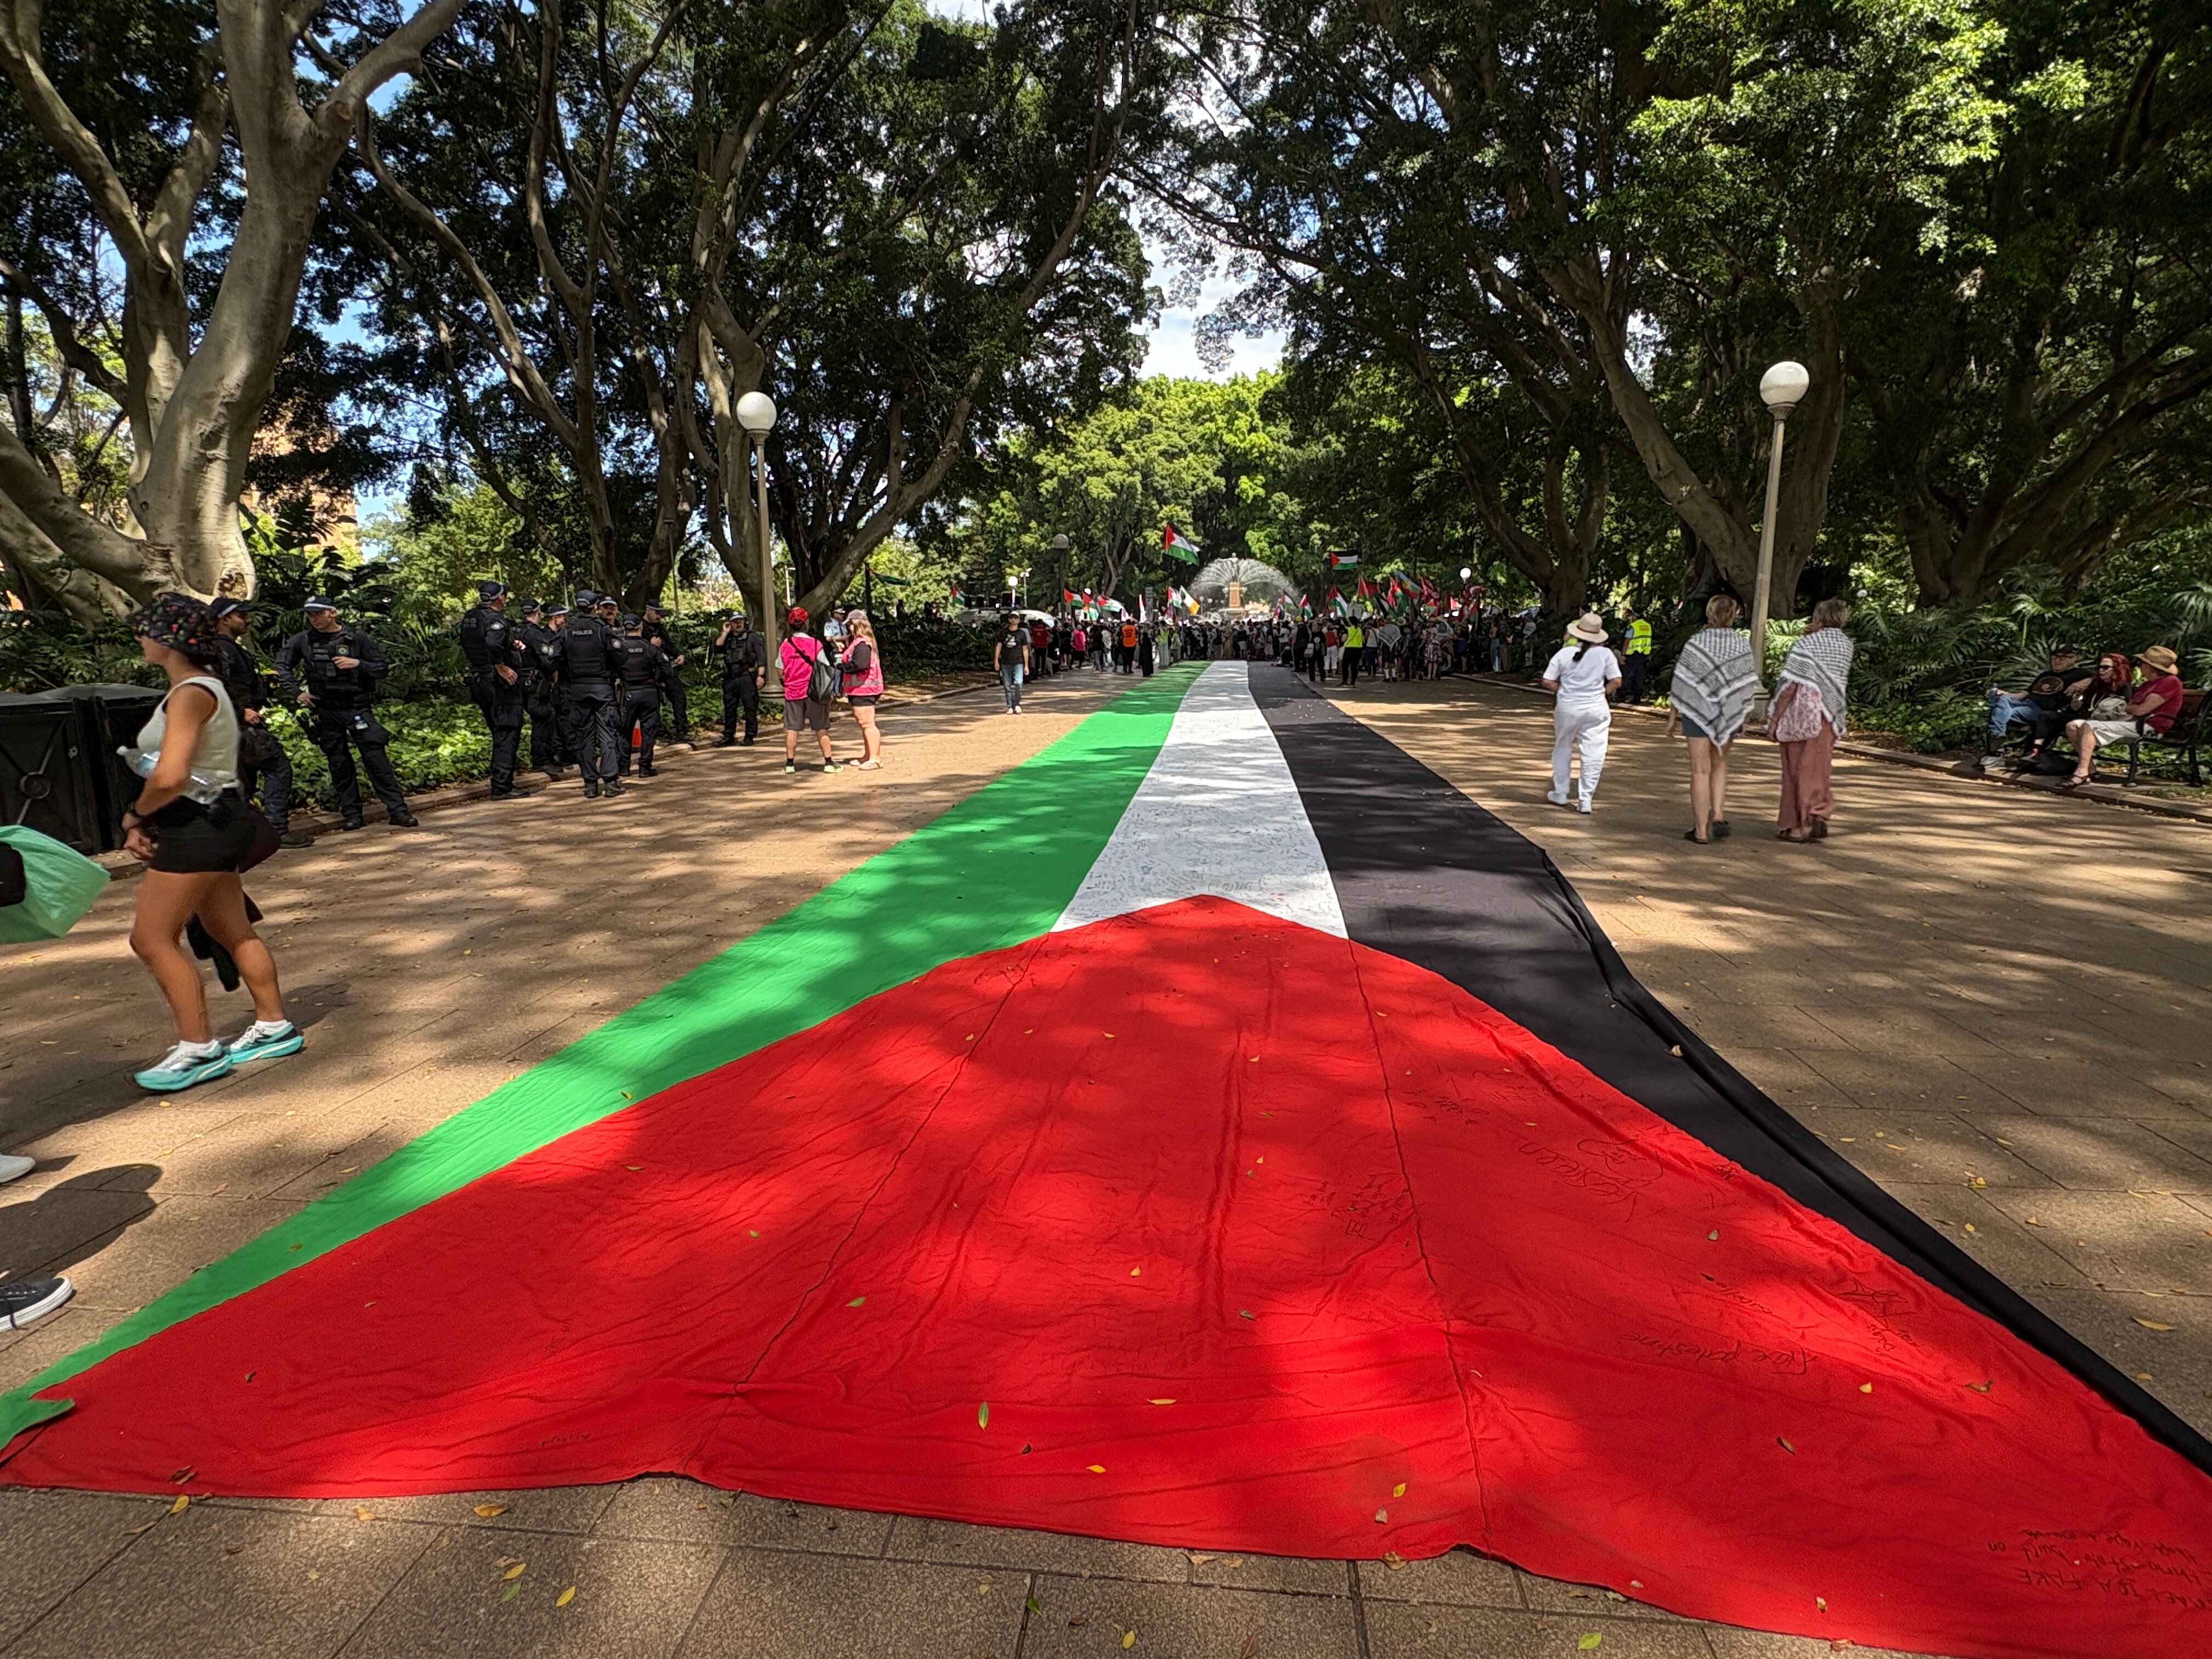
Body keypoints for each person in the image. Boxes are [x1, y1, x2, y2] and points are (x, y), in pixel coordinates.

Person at [117, 594, 301, 1093]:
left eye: (146, 630)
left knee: (151, 938)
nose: (140, 639)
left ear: (167, 638)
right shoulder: (204, 687)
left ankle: (198, 1047)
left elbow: (172, 775)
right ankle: (272, 1024)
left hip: (197, 827)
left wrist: (135, 815)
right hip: (220, 818)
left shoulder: (189, 693)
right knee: (231, 928)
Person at [273, 596, 421, 830]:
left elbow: (381, 669)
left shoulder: (357, 639)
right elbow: (281, 666)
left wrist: (358, 664)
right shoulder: (303, 641)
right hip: (325, 710)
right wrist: (297, 693)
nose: (314, 619)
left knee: (376, 760)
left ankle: (398, 811)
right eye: (310, 615)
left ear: (332, 613)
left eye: (318, 614)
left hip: (357, 707)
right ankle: (352, 815)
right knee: (339, 764)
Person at [208, 599, 309, 849]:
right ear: (224, 619)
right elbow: (217, 684)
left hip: (238, 723)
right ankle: (275, 830)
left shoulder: (227, 647)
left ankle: (246, 834)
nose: (248, 620)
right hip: (241, 724)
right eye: (241, 616)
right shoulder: (221, 650)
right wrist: (242, 711)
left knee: (245, 777)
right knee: (277, 767)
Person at [1666, 595, 1758, 843]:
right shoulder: (1741, 644)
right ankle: (1717, 815)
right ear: (1734, 615)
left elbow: (1682, 680)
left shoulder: (1696, 643)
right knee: (1719, 764)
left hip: (1696, 712)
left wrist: (1674, 715)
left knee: (1700, 770)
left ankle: (1701, 831)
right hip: (1728, 713)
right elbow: (1746, 683)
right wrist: (1741, 713)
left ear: (1709, 614)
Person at [1770, 597, 1856, 842]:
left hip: (1800, 715)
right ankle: (1818, 811)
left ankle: (1796, 825)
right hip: (1830, 714)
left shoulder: (1806, 644)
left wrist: (1774, 718)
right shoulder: (1845, 645)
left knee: (1795, 769)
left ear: (1818, 617)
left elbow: (1789, 686)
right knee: (1819, 768)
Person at [543, 589, 627, 798]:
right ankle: (610, 782)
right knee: (607, 735)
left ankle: (590, 784)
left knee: (584, 737)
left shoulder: (566, 631)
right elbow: (622, 656)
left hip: (577, 690)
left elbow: (552, 659)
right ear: (595, 607)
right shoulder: (602, 629)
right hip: (602, 689)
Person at [2064, 644, 2183, 786]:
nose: (2139, 666)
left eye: (2142, 663)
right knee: (2072, 726)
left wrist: (2135, 709)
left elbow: (2140, 710)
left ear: (2151, 667)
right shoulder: (2147, 685)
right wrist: (2135, 709)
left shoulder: (2170, 682)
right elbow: (2130, 708)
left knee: (2088, 725)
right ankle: (2090, 769)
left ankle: (2081, 772)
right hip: (2134, 723)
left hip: (2150, 727)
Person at [1542, 613, 1622, 813]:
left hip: (1568, 708)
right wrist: (1603, 692)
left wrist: (1562, 690)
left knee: (1563, 746)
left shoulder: (1564, 654)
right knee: (1594, 753)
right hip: (1597, 709)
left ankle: (1561, 792)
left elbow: (1547, 680)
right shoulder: (1606, 655)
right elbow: (1617, 681)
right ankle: (1585, 799)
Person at [457, 579, 528, 799]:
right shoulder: (495, 618)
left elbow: (478, 643)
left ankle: (502, 781)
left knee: (498, 730)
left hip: (479, 678)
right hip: (497, 683)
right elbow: (492, 644)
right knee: (507, 731)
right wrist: (502, 667)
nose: (505, 598)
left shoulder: (471, 617)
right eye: (504, 595)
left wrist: (510, 644)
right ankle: (502, 786)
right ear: (499, 598)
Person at [1983, 646, 2096, 769]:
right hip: (2024, 705)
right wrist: (2002, 692)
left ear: (2073, 659)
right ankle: (1996, 738)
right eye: (2055, 657)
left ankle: (1994, 752)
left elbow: (2102, 677)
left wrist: (2086, 682)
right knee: (2002, 701)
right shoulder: (2045, 675)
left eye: (2063, 658)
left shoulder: (2080, 674)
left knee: (1997, 713)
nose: (2058, 660)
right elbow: (2022, 695)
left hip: (2041, 711)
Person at [780, 607, 841, 772]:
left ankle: (790, 764)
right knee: (821, 727)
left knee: (792, 728)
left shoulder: (785, 645)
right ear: (806, 623)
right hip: (814, 693)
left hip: (793, 692)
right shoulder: (815, 644)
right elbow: (825, 667)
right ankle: (828, 763)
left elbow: (780, 669)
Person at [514, 599, 571, 777]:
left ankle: (543, 758)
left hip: (518, 680)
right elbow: (547, 660)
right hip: (535, 682)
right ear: (538, 613)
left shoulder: (516, 630)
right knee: (543, 719)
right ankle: (541, 761)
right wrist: (552, 672)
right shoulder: (535, 633)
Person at [614, 613, 669, 776]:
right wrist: (658, 681)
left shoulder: (619, 649)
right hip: (649, 693)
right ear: (641, 627)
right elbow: (668, 670)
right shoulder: (650, 647)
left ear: (625, 628)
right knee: (649, 731)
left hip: (627, 693)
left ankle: (623, 767)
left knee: (624, 731)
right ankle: (645, 767)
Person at [638, 603, 692, 748]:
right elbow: (633, 644)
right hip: (648, 671)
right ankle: (657, 734)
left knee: (679, 696)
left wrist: (679, 654)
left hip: (665, 668)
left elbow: (668, 644)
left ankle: (682, 730)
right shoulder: (639, 625)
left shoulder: (660, 627)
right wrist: (650, 644)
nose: (659, 617)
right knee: (653, 703)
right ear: (648, 610)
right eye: (657, 613)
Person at [841, 611, 886, 769]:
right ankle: (868, 755)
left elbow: (860, 664)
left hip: (865, 689)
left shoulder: (862, 644)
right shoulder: (861, 642)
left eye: (850, 624)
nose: (849, 628)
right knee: (865, 724)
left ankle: (875, 758)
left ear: (857, 624)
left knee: (868, 724)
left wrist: (842, 666)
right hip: (859, 689)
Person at [714, 611, 766, 744]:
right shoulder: (728, 638)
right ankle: (729, 736)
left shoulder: (752, 637)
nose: (738, 624)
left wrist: (761, 675)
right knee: (729, 707)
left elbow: (761, 657)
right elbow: (718, 647)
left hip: (746, 676)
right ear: (730, 624)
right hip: (731, 678)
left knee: (750, 707)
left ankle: (749, 735)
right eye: (735, 622)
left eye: (740, 621)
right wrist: (725, 633)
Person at [995, 612, 1029, 714]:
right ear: (1009, 619)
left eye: (1016, 618)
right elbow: (999, 646)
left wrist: (1026, 665)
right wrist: (996, 661)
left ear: (1019, 620)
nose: (1013, 620)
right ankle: (1009, 705)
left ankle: (1017, 704)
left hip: (1018, 662)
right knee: (1007, 685)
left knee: (1019, 683)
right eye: (1012, 618)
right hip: (1005, 662)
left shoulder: (1022, 634)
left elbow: (1025, 649)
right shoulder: (1003, 632)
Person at [1620, 608, 1654, 703]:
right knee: (1640, 677)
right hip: (1644, 655)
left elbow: (1627, 641)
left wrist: (1623, 655)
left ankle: (1622, 696)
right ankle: (1637, 698)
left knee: (1627, 676)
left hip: (1632, 655)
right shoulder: (1648, 626)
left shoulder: (1632, 627)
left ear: (1635, 616)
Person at [1340, 617, 1365, 686]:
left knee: (1345, 666)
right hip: (1358, 649)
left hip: (1349, 649)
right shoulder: (1360, 630)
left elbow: (1343, 639)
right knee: (1354, 666)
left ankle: (1345, 682)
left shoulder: (1348, 629)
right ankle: (1353, 683)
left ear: (1350, 622)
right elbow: (1363, 640)